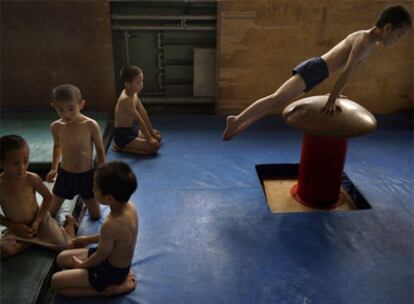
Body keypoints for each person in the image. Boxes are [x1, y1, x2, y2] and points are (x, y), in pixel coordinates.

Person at [223, 5, 412, 140]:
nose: (398, 40)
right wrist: (332, 98)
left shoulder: (369, 43)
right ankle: (236, 120)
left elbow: (351, 73)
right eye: (399, 35)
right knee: (275, 98)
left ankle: (240, 125)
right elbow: (346, 73)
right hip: (315, 69)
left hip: (319, 73)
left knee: (277, 101)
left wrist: (335, 95)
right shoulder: (364, 40)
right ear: (388, 28)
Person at [51, 161, 138, 297]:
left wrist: (82, 265)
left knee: (56, 283)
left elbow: (100, 256)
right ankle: (112, 282)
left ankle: (112, 290)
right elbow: (114, 238)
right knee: (61, 258)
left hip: (110, 272)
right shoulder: (129, 207)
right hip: (115, 263)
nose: (93, 190)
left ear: (109, 198)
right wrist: (87, 240)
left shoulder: (111, 224)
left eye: (95, 188)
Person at [0, 135, 75, 259]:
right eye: (15, 163)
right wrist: (14, 226)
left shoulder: (31, 178)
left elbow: (48, 197)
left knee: (67, 246)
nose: (22, 167)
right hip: (16, 228)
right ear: (1, 162)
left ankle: (70, 223)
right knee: (5, 252)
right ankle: (30, 241)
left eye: (26, 161)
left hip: (39, 221)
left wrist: (37, 221)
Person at [46, 84, 105, 220]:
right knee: (51, 213)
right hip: (65, 175)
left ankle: (83, 201)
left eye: (71, 109)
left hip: (87, 175)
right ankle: (77, 201)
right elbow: (57, 147)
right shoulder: (56, 127)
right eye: (61, 110)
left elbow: (100, 149)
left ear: (81, 104)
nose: (66, 114)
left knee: (96, 215)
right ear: (54, 106)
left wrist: (102, 170)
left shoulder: (90, 125)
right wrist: (54, 168)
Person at [112, 65, 161, 155]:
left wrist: (151, 132)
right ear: (127, 84)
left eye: (142, 81)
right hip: (122, 135)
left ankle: (127, 145)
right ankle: (120, 147)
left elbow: (143, 112)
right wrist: (150, 139)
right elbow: (139, 120)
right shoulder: (125, 99)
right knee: (153, 147)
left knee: (158, 137)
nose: (142, 84)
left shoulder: (134, 94)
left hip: (130, 130)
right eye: (138, 82)